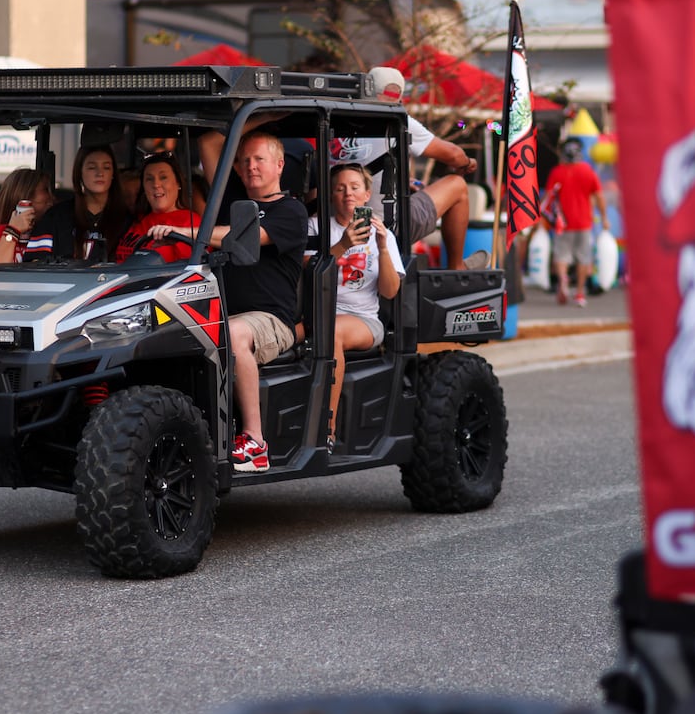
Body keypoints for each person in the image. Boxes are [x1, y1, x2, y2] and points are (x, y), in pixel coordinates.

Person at [149, 130, 308, 473]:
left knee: (233, 335)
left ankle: (255, 442)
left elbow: (245, 237)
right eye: (245, 160)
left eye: (260, 159)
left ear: (279, 165)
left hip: (269, 321)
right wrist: (257, 113)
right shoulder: (234, 201)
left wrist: (186, 231)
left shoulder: (291, 211)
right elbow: (207, 141)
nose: (251, 167)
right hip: (220, 315)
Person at [310, 163, 403, 446]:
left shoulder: (381, 234)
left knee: (333, 331)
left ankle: (327, 428)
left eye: (354, 187)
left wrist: (384, 248)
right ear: (331, 195)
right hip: (316, 313)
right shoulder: (315, 226)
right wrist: (343, 245)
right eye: (339, 189)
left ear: (366, 194)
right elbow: (307, 275)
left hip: (362, 319)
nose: (347, 194)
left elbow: (390, 291)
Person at [329, 114, 485, 269]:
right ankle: (456, 266)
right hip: (386, 226)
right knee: (457, 185)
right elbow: (454, 155)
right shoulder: (395, 118)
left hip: (334, 223)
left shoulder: (333, 117)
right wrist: (468, 162)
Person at [28, 143, 129, 263]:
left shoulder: (127, 220)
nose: (100, 173)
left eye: (106, 167)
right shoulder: (57, 216)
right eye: (92, 167)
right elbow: (35, 263)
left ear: (113, 175)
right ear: (79, 173)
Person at [543, 137, 609, 308]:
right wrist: (604, 218)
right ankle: (580, 293)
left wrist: (543, 218)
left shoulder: (557, 172)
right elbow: (599, 196)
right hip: (584, 223)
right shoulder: (588, 171)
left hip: (562, 223)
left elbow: (549, 198)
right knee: (583, 258)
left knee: (561, 256)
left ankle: (563, 280)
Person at [114, 151, 201, 263]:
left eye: (163, 177)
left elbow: (190, 271)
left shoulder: (191, 222)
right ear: (144, 187)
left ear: (178, 183)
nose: (156, 184)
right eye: (149, 179)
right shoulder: (136, 219)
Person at [0, 168, 56, 264]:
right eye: (46, 190)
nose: (53, 197)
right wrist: (13, 231)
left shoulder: (54, 234)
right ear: (26, 195)